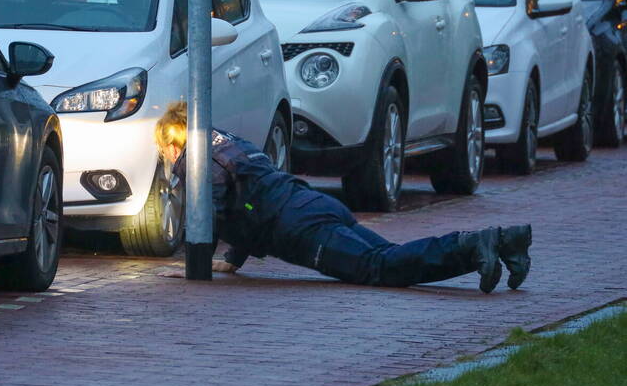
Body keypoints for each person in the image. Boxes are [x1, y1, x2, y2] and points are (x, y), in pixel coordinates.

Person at [155, 102, 531, 292]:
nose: (166, 160)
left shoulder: (197, 161)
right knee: (390, 259)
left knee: (381, 269)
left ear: (173, 143)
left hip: (302, 231)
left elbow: (213, 212)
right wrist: (234, 260)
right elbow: (250, 197)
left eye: (163, 152)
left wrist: (197, 264)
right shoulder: (231, 143)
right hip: (316, 206)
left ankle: (475, 245)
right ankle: (501, 242)